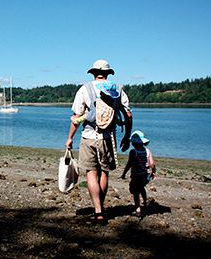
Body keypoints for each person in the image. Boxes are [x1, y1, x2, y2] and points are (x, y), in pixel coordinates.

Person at [65, 59, 132, 224]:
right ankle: (100, 208)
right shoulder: (117, 90)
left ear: (93, 73)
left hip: (89, 136)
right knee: (104, 173)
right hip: (109, 138)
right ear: (108, 74)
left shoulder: (85, 89)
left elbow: (76, 119)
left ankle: (98, 211)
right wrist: (126, 136)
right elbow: (128, 115)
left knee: (91, 173)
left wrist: (69, 138)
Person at [121, 130, 156, 217]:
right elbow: (152, 164)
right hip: (146, 175)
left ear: (133, 143)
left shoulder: (133, 152)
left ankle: (138, 208)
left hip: (136, 176)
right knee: (141, 188)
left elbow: (129, 164)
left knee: (135, 192)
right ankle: (144, 201)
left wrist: (124, 173)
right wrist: (154, 172)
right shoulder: (148, 151)